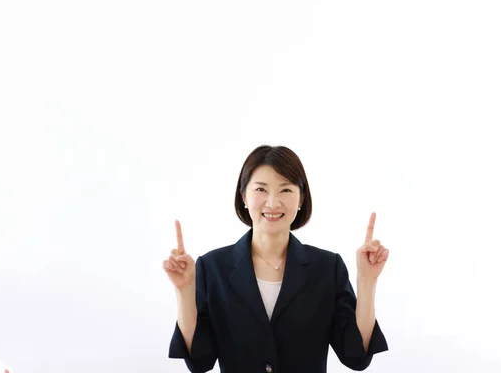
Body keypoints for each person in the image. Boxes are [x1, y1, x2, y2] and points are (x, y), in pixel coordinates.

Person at [163, 145, 389, 372]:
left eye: (286, 190)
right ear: (244, 196)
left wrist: (367, 280)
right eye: (261, 189)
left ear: (301, 199)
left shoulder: (327, 269)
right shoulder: (212, 268)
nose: (272, 203)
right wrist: (184, 290)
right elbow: (200, 361)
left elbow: (356, 356)